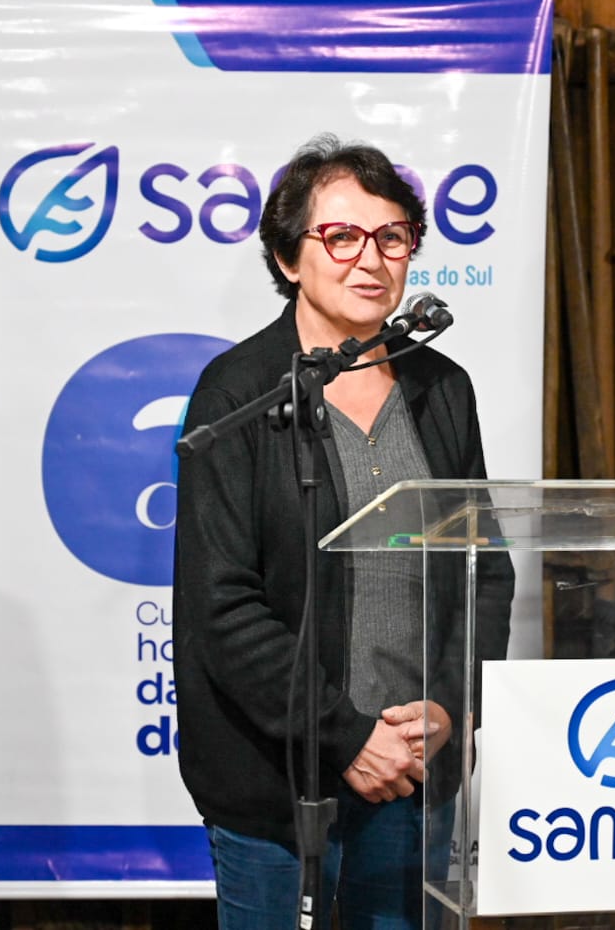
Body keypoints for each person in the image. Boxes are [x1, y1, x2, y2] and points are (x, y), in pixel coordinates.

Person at [172, 134, 514, 930]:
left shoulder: (441, 388)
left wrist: (451, 707)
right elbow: (223, 607)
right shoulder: (240, 395)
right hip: (278, 778)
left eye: (392, 237)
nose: (372, 259)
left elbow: (483, 570)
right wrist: (346, 736)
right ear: (289, 257)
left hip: (414, 769)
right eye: (342, 237)